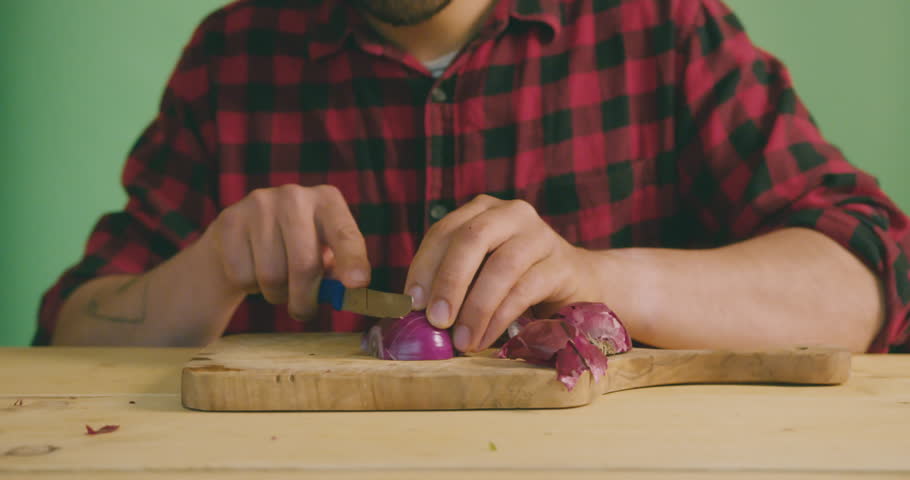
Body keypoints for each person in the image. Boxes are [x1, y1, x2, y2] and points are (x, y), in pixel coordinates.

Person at [39, 0, 910, 353]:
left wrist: (598, 277)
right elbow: (70, 333)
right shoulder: (235, 54)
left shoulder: (660, 25)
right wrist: (211, 266)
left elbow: (872, 272)